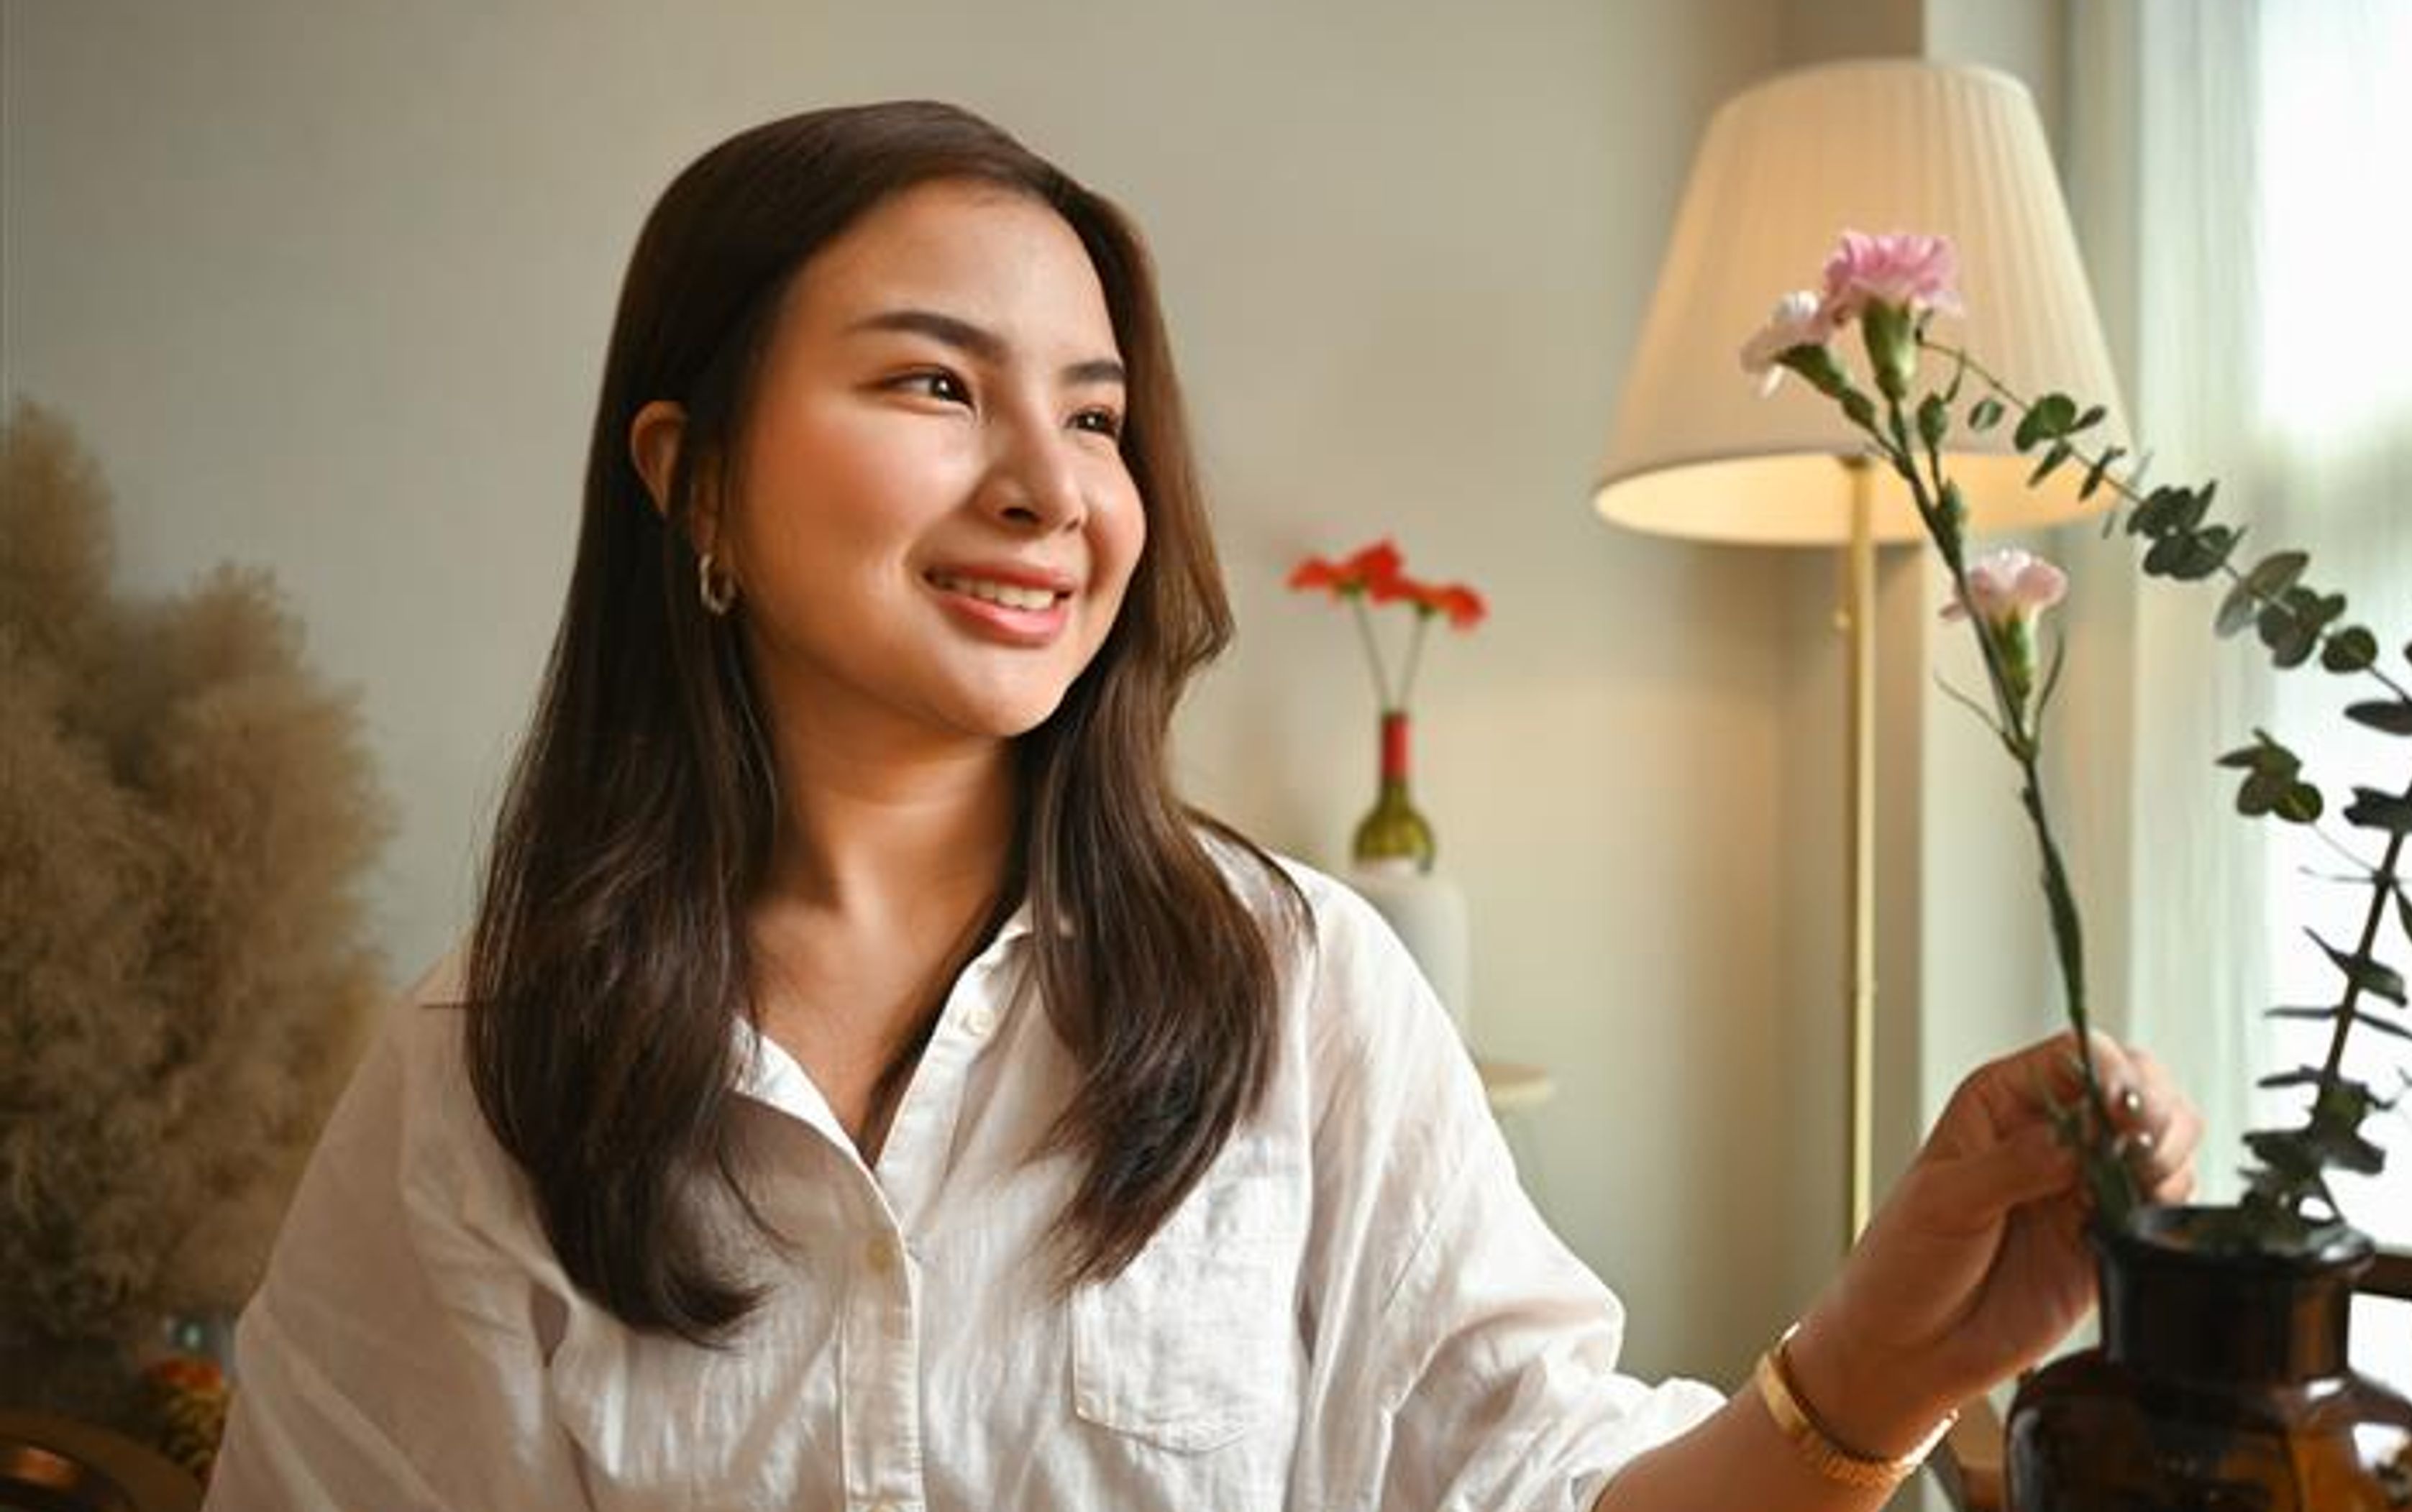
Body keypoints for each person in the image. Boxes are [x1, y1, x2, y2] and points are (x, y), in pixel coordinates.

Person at [204, 101, 2199, 1512]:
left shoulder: (1298, 986)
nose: (1050, 489)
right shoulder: (488, 1069)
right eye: (933, 386)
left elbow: (1549, 1493)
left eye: (1094, 414)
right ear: (693, 475)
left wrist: (1885, 1359)